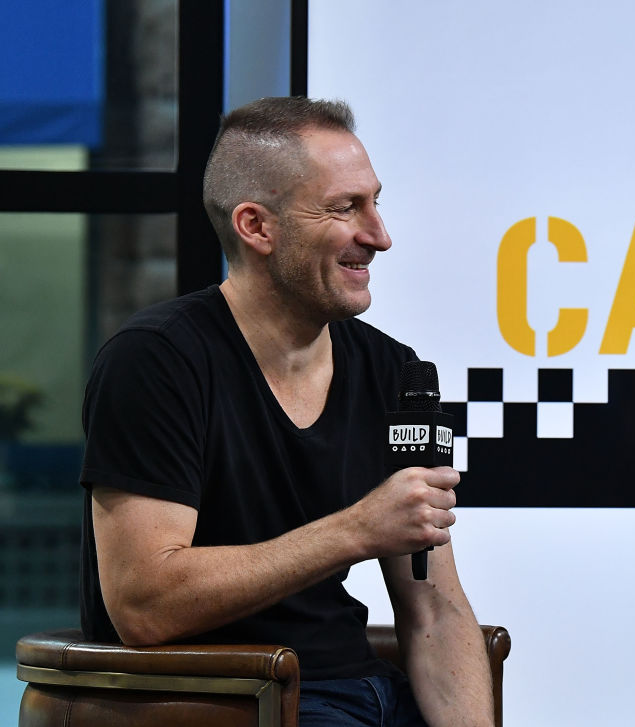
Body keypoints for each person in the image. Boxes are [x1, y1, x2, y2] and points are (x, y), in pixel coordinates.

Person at [79, 96, 494, 726]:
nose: (379, 236)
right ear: (256, 227)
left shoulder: (393, 371)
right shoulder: (155, 361)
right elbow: (144, 604)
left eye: (375, 202)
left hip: (372, 695)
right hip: (232, 703)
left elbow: (434, 607)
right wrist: (355, 530)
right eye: (344, 208)